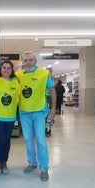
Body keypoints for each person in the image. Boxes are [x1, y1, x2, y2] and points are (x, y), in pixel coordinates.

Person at [16, 51, 56, 182]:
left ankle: (44, 168)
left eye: (30, 60)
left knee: (40, 140)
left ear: (35, 61)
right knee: (28, 140)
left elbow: (52, 90)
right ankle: (32, 163)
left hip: (39, 112)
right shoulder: (18, 75)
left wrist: (54, 108)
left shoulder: (44, 74)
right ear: (23, 62)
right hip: (24, 112)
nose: (28, 62)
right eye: (25, 60)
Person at [0, 59, 20, 175]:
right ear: (0, 69)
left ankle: (4, 162)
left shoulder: (16, 82)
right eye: (4, 67)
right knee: (1, 139)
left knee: (7, 140)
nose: (6, 70)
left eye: (9, 68)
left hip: (11, 117)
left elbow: (18, 100)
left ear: (11, 70)